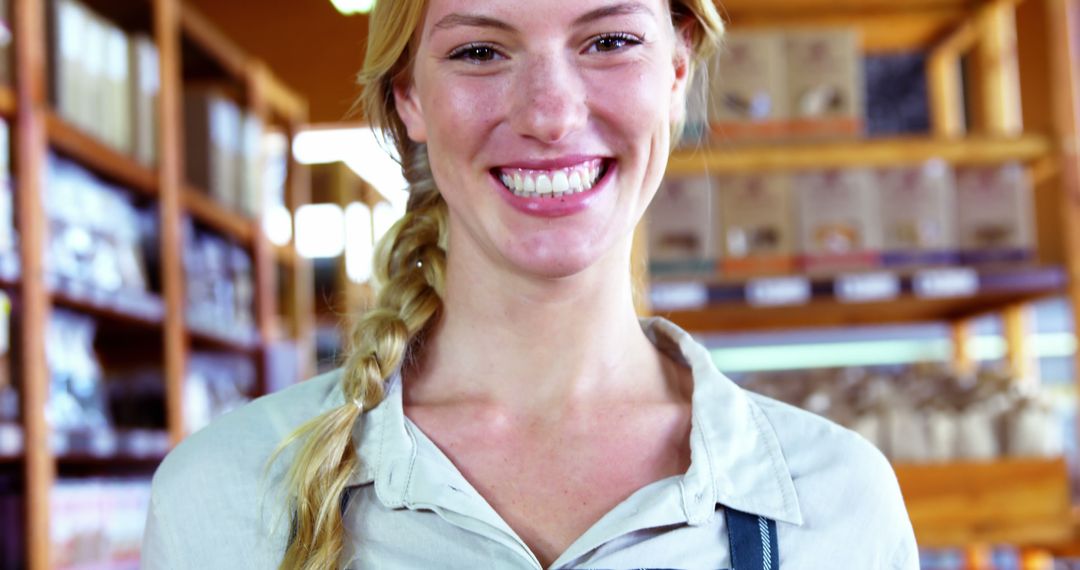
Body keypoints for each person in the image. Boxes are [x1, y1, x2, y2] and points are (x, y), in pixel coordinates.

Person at [143, 0, 919, 568]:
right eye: (481, 52)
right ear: (410, 96)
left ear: (677, 71)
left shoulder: (839, 503)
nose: (550, 113)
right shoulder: (226, 496)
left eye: (609, 41)